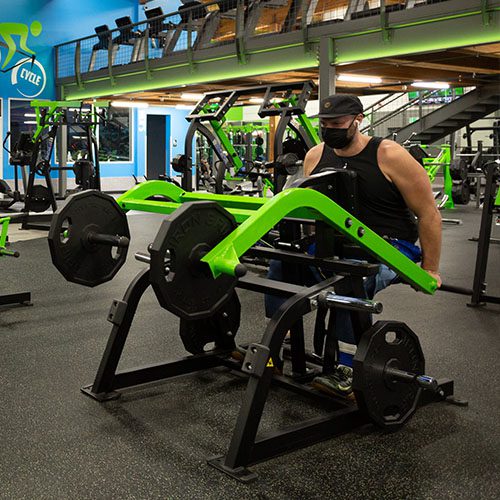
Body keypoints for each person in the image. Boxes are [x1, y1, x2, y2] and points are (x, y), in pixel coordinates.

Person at [267, 94, 442, 398]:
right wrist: (305, 246)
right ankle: (275, 350)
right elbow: (313, 208)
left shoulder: (389, 154)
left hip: (391, 245)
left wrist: (430, 269)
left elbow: (428, 213)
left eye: (337, 123)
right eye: (324, 124)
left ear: (359, 120)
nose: (329, 129)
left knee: (351, 277)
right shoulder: (315, 156)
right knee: (283, 263)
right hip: (339, 240)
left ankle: (348, 367)